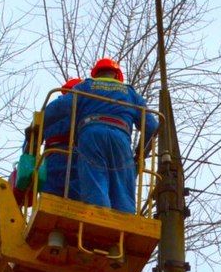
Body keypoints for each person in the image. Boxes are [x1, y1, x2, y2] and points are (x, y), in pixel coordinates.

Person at [71, 57, 158, 214]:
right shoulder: (130, 93)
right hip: (121, 140)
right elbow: (152, 127)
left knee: (95, 182)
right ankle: (122, 226)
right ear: (117, 76)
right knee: (123, 191)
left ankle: (97, 219)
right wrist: (140, 154)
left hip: (91, 135)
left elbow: (60, 109)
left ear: (96, 74)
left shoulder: (85, 86)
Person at [39, 77, 84, 198]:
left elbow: (33, 135)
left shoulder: (51, 107)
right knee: (77, 196)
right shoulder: (85, 107)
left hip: (51, 156)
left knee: (50, 195)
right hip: (77, 157)